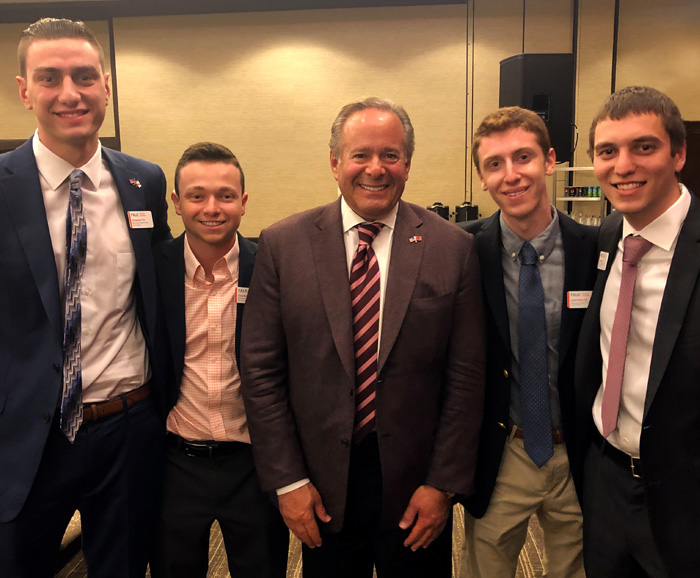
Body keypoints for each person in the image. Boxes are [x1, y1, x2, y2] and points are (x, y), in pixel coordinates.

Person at [240, 97, 485, 578]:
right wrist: (287, 481)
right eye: (360, 155)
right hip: (320, 486)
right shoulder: (282, 244)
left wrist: (442, 484)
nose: (376, 168)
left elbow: (466, 378)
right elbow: (261, 372)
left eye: (390, 155)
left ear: (408, 165)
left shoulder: (451, 247)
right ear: (335, 163)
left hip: (417, 490)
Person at [0, 17, 170, 578]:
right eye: (49, 78)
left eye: (84, 77)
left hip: (129, 427)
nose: (69, 93)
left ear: (107, 86)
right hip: (27, 436)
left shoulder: (144, 181)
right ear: (24, 90)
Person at [458, 107, 595, 577]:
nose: (511, 175)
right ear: (481, 177)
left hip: (579, 454)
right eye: (495, 164)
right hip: (502, 455)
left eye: (523, 157)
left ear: (550, 160)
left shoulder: (596, 248)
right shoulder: (463, 253)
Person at [150, 142, 288, 578]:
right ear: (176, 203)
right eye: (196, 196)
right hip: (174, 464)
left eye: (226, 196)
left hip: (254, 465)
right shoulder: (150, 270)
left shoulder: (271, 266)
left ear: (243, 203)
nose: (212, 208)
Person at [575, 85, 695, 577]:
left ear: (679, 153)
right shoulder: (605, 239)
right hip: (606, 479)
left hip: (687, 494)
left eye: (643, 147)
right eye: (608, 151)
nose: (623, 166)